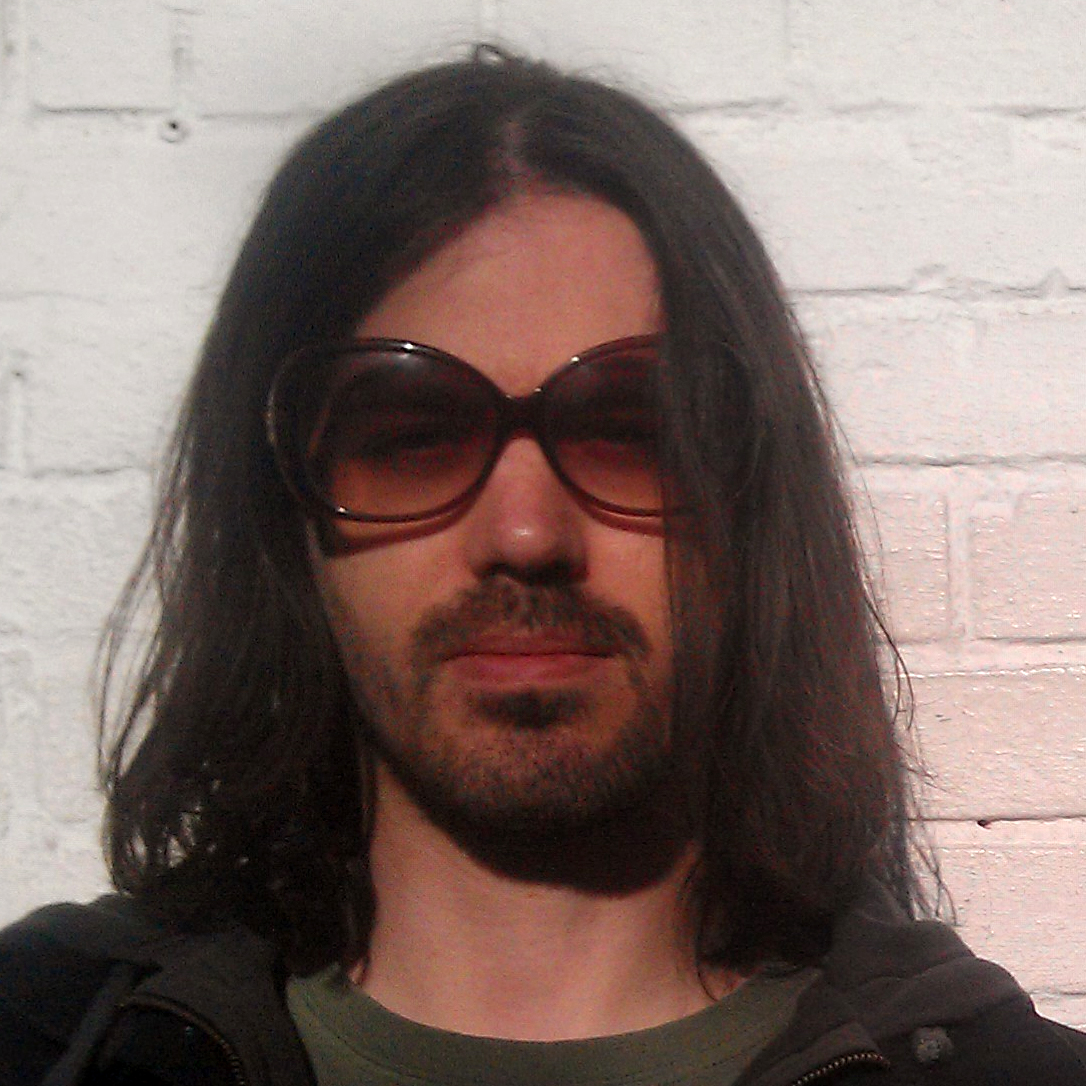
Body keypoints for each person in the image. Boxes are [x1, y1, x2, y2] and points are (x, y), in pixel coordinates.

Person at [1, 45, 1083, 1086]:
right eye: (413, 434)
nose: (526, 535)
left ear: (750, 501)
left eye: (629, 428)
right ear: (281, 509)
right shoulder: (48, 1037)